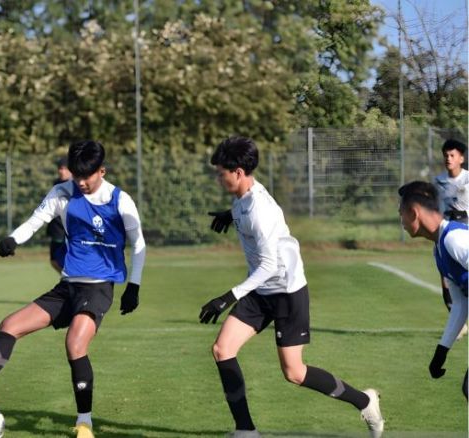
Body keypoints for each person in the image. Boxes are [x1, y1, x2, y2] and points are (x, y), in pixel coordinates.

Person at [0, 140, 146, 438]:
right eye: (76, 176)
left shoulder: (120, 200)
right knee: (10, 325)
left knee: (75, 344)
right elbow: (36, 220)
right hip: (67, 287)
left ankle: (84, 422)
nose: (80, 182)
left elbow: (139, 244)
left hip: (98, 288)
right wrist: (13, 239)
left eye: (86, 177)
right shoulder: (63, 192)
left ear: (101, 171)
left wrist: (134, 286)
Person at [198, 136, 384, 438]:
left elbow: (270, 265)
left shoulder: (261, 209)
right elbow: (244, 215)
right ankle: (246, 431)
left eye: (221, 173)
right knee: (222, 349)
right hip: (261, 292)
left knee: (294, 373)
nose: (218, 179)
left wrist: (227, 297)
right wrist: (228, 215)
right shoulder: (242, 199)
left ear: (239, 172)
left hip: (286, 291)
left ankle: (365, 401)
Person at [397, 181, 468, 399]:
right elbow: (460, 305)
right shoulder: (439, 252)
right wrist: (442, 351)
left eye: (401, 214)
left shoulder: (455, 239)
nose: (402, 223)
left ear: (414, 212)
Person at [432, 140, 469, 331]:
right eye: (446, 155)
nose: (448, 158)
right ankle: (459, 324)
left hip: (465, 239)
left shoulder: (468, 180)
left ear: (461, 158)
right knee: (446, 280)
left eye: (452, 155)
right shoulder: (438, 182)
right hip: (445, 237)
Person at [47, 157, 72, 274]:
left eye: (65, 169)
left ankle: (72, 282)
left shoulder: (77, 184)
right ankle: (68, 281)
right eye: (60, 169)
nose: (62, 171)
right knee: (54, 261)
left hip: (69, 230)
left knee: (68, 260)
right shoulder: (56, 184)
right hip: (56, 228)